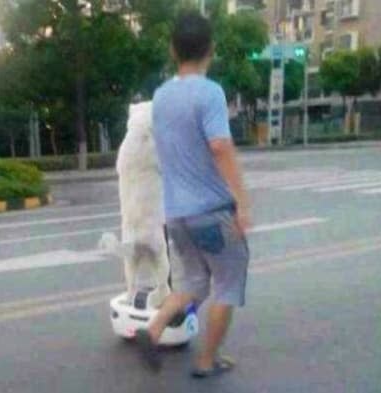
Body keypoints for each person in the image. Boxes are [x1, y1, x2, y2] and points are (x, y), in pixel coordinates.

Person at [135, 9, 252, 379]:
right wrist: (243, 202)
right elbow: (220, 146)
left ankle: (152, 331)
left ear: (173, 50)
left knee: (192, 283)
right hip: (212, 211)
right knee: (228, 284)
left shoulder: (161, 96)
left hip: (177, 216)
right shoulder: (210, 92)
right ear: (211, 50)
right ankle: (206, 361)